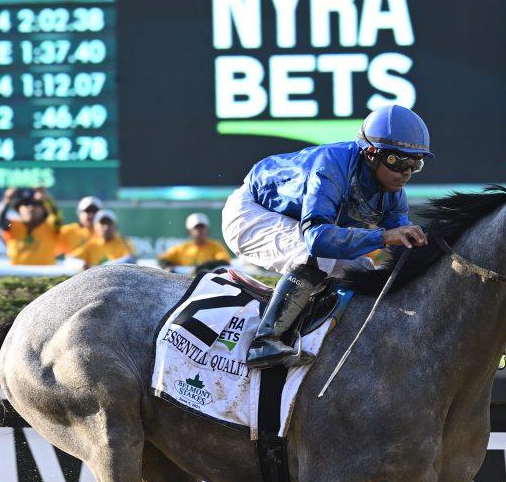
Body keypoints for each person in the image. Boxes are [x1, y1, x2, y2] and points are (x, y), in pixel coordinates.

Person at [222, 104, 430, 368]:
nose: (406, 172)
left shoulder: (393, 192)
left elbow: (404, 244)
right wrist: (384, 237)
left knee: (361, 269)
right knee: (315, 257)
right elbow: (317, 239)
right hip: (250, 212)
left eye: (415, 163)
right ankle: (265, 341)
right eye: (397, 161)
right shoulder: (330, 167)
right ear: (371, 154)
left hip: (294, 221)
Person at [0, 186, 61, 265]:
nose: (31, 207)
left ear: (44, 210)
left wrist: (46, 198)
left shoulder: (51, 226)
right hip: (18, 275)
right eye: (26, 204)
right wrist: (7, 200)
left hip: (46, 275)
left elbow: (56, 215)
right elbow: (0, 220)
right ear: (18, 209)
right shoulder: (11, 225)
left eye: (35, 204)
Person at [157, 213, 231, 271]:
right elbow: (162, 259)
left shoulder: (216, 246)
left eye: (202, 227)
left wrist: (207, 265)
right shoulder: (181, 248)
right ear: (189, 231)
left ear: (207, 230)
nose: (200, 231)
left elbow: (224, 261)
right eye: (196, 228)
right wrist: (169, 266)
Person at [71, 208, 136, 269]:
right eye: (102, 223)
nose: (106, 227)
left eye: (109, 223)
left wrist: (103, 267)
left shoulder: (125, 242)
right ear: (95, 226)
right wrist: (82, 265)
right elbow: (71, 259)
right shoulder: (92, 244)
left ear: (115, 226)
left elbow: (131, 260)